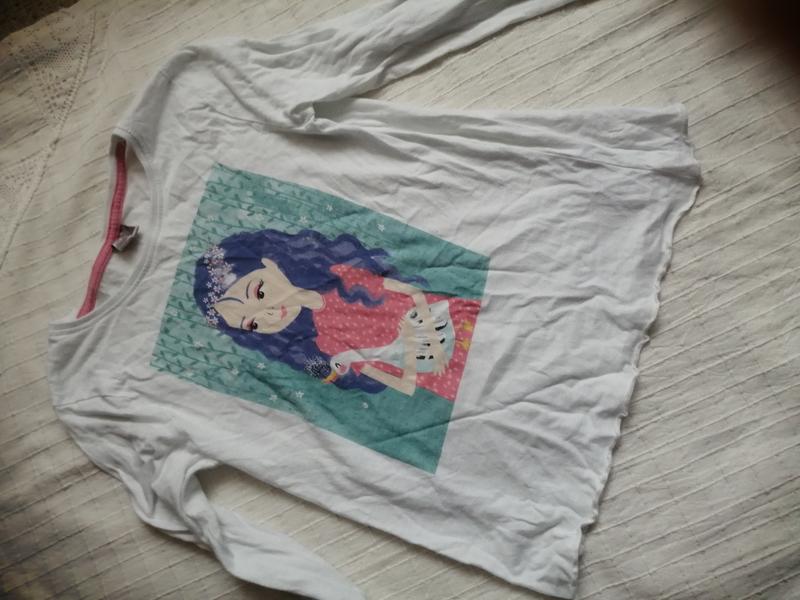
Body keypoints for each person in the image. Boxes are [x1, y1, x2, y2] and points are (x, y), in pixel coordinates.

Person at [193, 228, 480, 400]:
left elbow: (414, 293)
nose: (268, 313)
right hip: (449, 380)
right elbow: (405, 387)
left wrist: (430, 341)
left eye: (258, 292)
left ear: (270, 262)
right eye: (253, 323)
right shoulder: (327, 344)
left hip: (461, 324)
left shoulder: (344, 278)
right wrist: (409, 355)